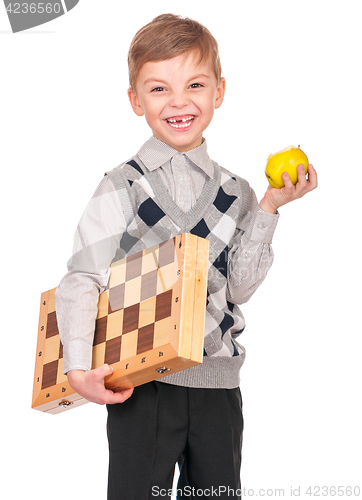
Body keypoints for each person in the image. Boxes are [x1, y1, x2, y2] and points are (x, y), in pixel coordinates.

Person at [55, 13, 317, 500]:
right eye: (158, 89)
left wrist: (269, 207)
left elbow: (238, 288)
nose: (179, 102)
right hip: (141, 384)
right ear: (135, 100)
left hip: (219, 388)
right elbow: (82, 277)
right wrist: (76, 366)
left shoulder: (238, 191)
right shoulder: (122, 185)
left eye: (194, 84)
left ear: (219, 91)